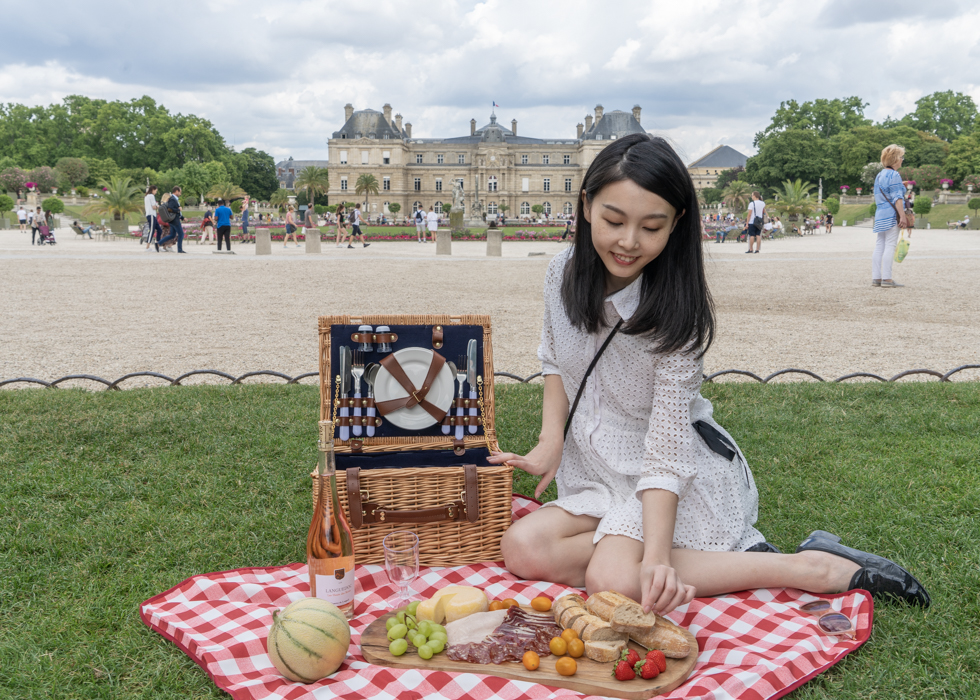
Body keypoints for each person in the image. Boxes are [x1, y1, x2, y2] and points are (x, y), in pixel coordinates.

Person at [489, 133, 929, 614]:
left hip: (673, 473)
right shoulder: (561, 273)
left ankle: (809, 567)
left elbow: (666, 449)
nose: (629, 242)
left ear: (676, 224)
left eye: (651, 227)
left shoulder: (680, 313)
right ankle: (634, 550)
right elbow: (553, 359)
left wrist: (656, 559)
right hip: (598, 469)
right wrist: (552, 440)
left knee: (612, 580)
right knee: (523, 548)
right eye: (614, 220)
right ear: (587, 205)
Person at [872, 144, 910, 288]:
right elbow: (897, 198)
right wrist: (902, 216)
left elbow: (883, 193)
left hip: (880, 213)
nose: (902, 160)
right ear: (895, 159)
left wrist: (901, 185)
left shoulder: (880, 175)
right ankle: (887, 279)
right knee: (890, 245)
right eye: (901, 157)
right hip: (891, 214)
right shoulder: (894, 174)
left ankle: (876, 277)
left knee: (879, 245)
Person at [157, 187, 186, 253]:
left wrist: (182, 218)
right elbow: (170, 209)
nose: (180, 193)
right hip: (175, 220)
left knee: (172, 235)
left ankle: (158, 243)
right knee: (181, 234)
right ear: (176, 191)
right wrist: (178, 209)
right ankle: (180, 250)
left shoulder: (173, 199)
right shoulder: (173, 199)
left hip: (172, 220)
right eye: (180, 192)